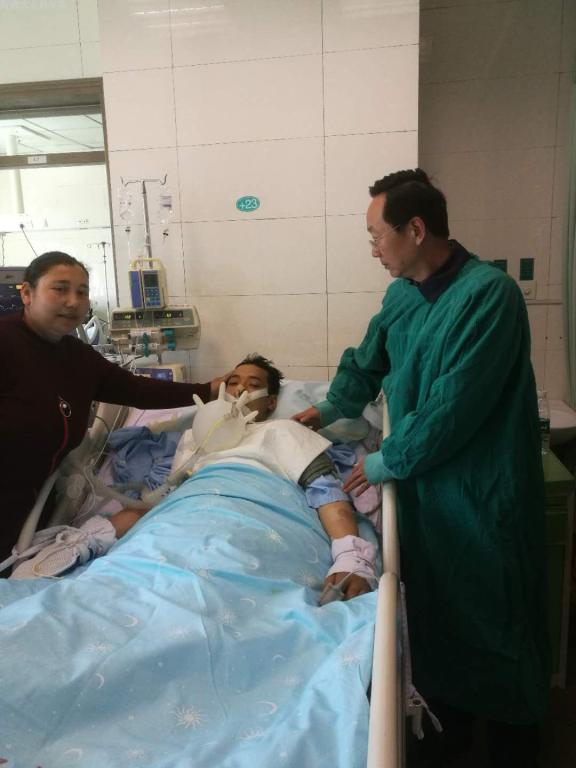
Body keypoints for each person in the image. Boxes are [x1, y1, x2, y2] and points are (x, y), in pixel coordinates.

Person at [293, 169, 550, 767]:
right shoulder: (403, 295)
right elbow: (368, 360)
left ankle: (514, 747)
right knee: (443, 626)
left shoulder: (488, 296)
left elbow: (451, 408)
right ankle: (449, 738)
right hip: (428, 497)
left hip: (482, 492)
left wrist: (384, 461)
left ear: (415, 229)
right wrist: (326, 409)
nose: (373, 250)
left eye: (377, 236)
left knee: (498, 618)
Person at [10, 354, 378, 601]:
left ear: (271, 401)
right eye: (233, 382)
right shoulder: (196, 438)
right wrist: (89, 539)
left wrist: (350, 555)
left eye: (253, 384)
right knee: (125, 585)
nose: (239, 389)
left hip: (257, 521)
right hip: (180, 524)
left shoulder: (285, 431)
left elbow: (328, 495)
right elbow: (158, 502)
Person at [0, 251, 225, 569]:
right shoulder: (6, 344)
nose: (73, 301)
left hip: (30, 508)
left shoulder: (76, 357)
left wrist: (208, 390)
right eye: (60, 289)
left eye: (82, 292)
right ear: (27, 293)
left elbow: (136, 390)